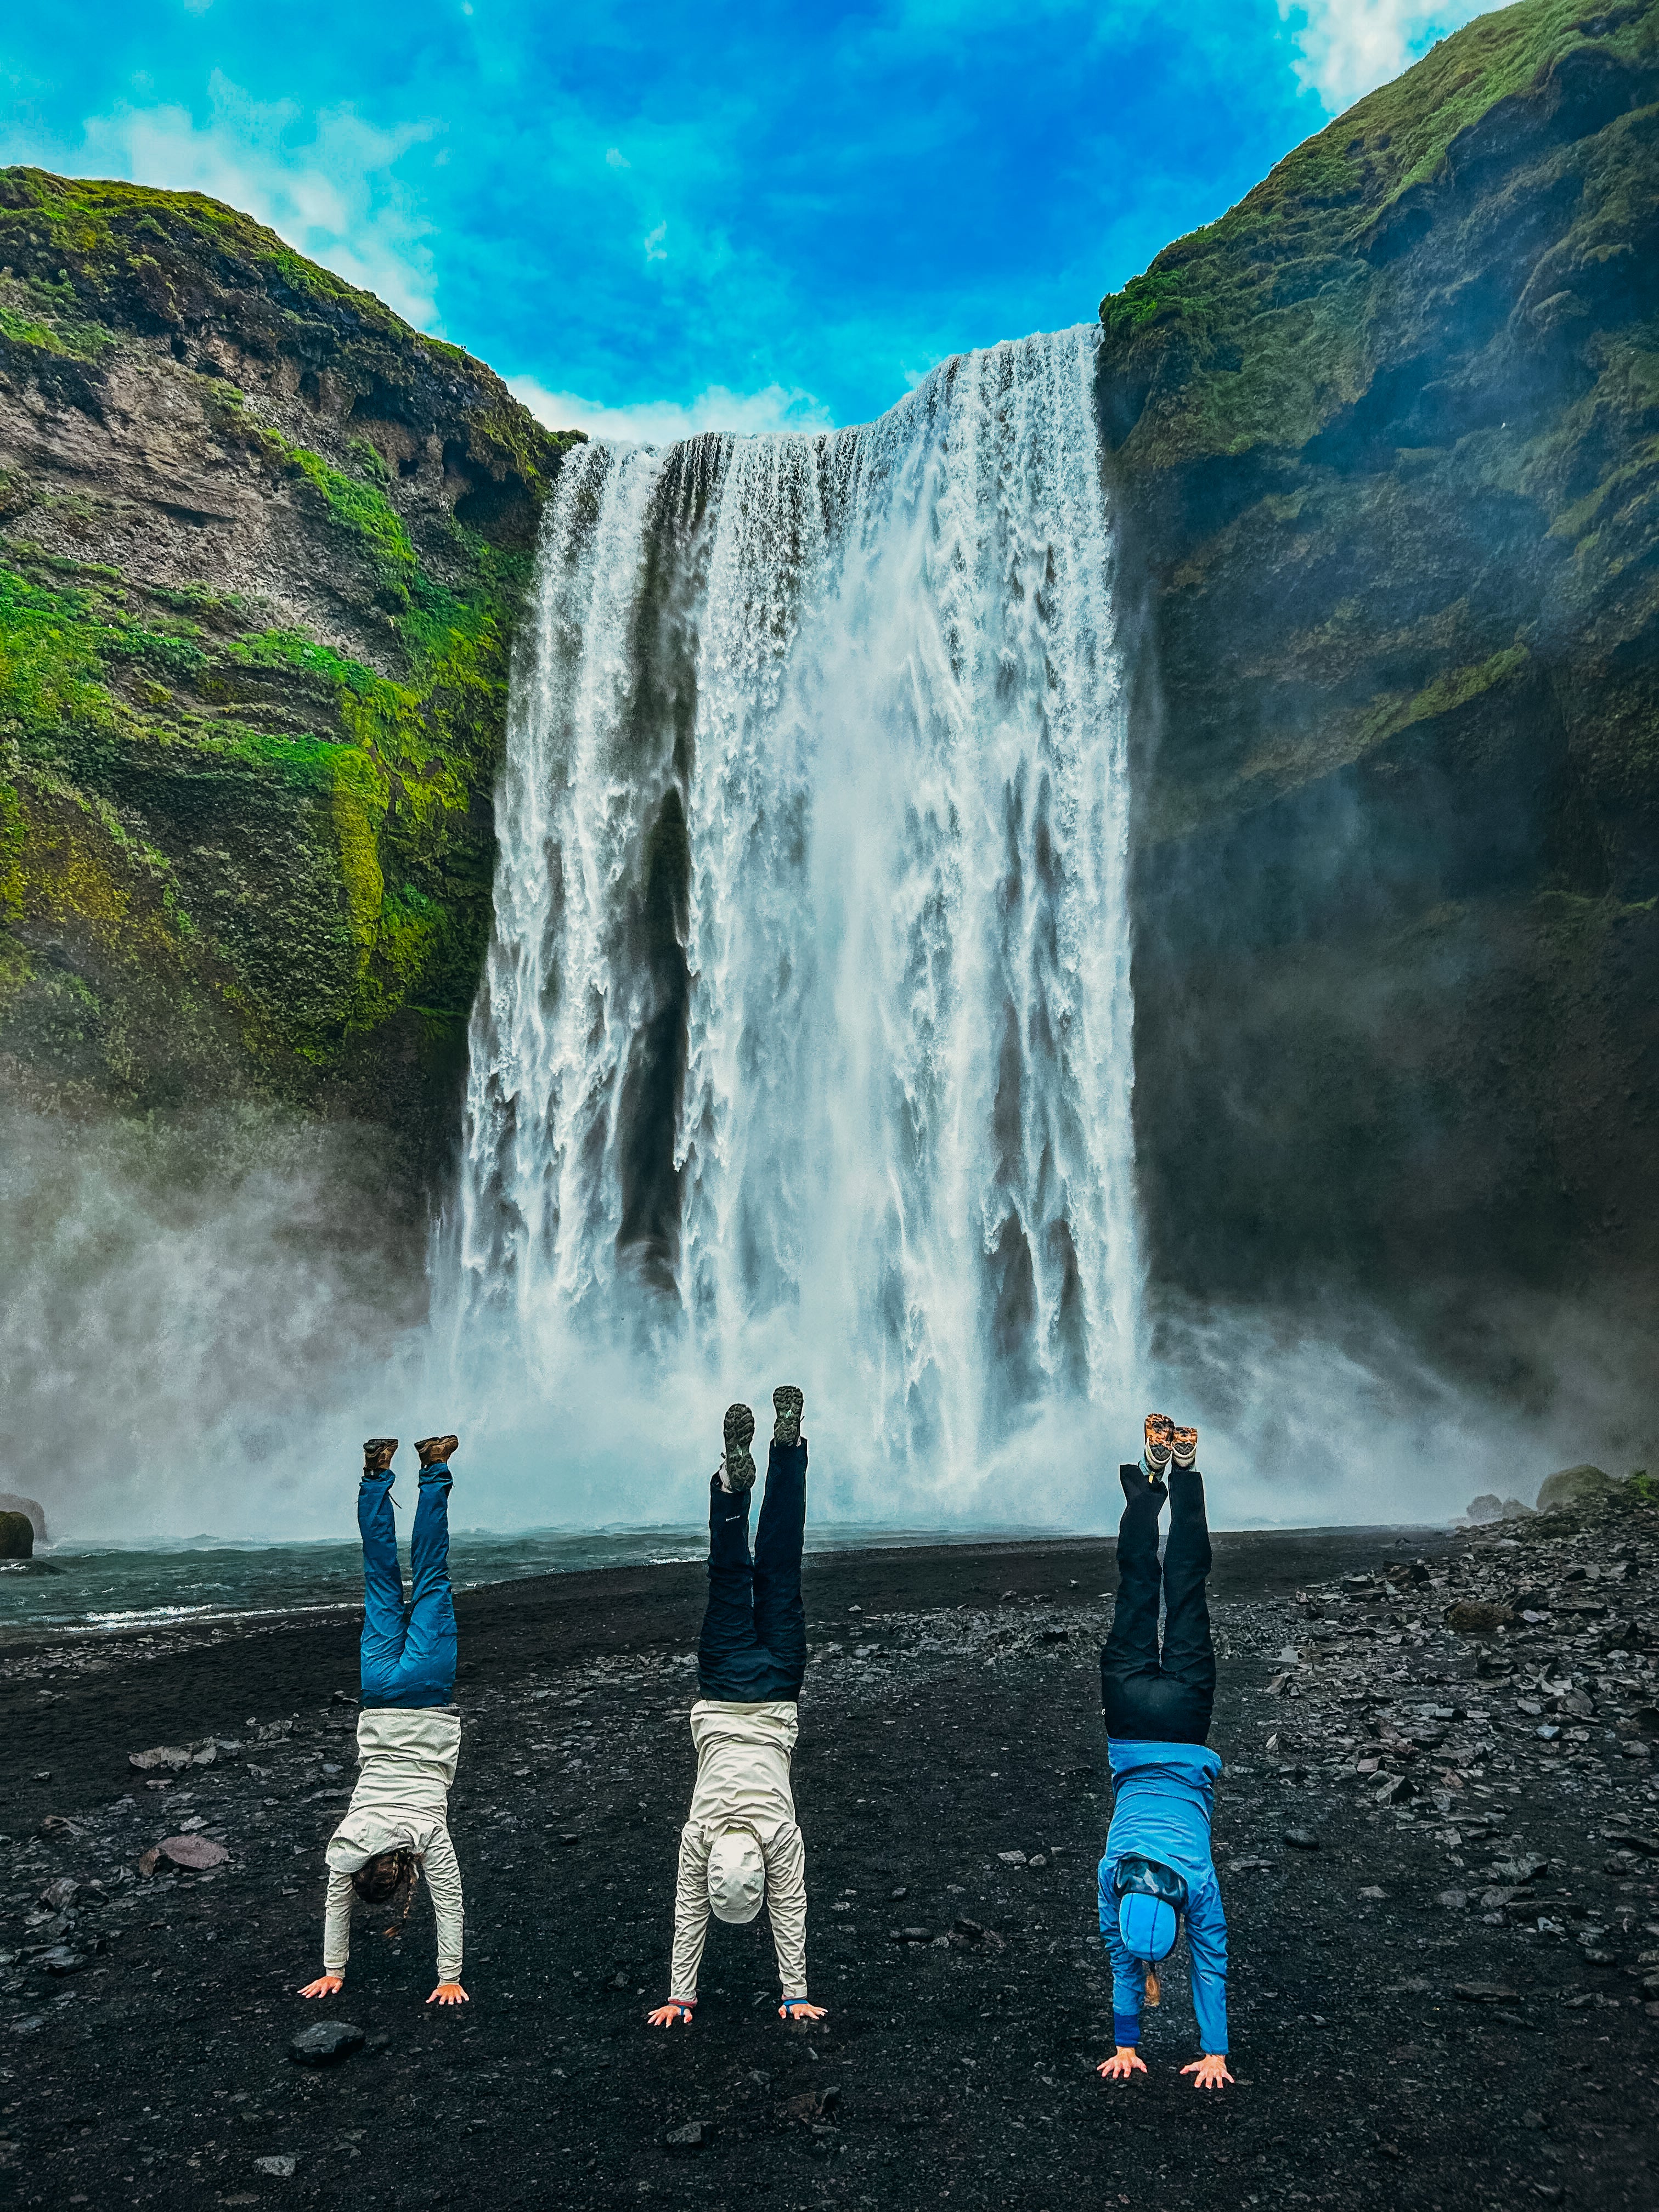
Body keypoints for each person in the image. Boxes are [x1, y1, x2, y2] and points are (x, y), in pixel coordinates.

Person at [646, 1387, 827, 2032]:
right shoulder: (699, 1835)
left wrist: (794, 1991)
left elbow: (791, 1910)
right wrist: (680, 1994)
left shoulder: (779, 1836)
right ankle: (730, 1486)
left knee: (780, 1564)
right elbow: (688, 1913)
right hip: (722, 1688)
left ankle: (787, 1451)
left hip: (777, 1688)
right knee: (728, 1576)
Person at [298, 1434, 469, 2010]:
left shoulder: (427, 1837)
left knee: (431, 1573)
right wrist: (332, 1968)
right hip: (377, 1691)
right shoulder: (345, 1843)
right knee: (378, 1579)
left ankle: (435, 1466)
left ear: (401, 1873)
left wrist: (449, 1978)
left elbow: (450, 1904)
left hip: (425, 1690)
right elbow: (335, 1904)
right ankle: (376, 1476)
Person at [1094, 1413, 1232, 2091]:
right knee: (1136, 1586)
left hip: (1183, 1721)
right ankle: (1152, 1480)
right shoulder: (1113, 1873)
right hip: (1126, 1715)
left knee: (1185, 1592)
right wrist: (1125, 2040)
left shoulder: (1198, 1884)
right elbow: (1125, 1963)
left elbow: (1211, 1961)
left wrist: (1217, 2053)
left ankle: (1183, 1472)